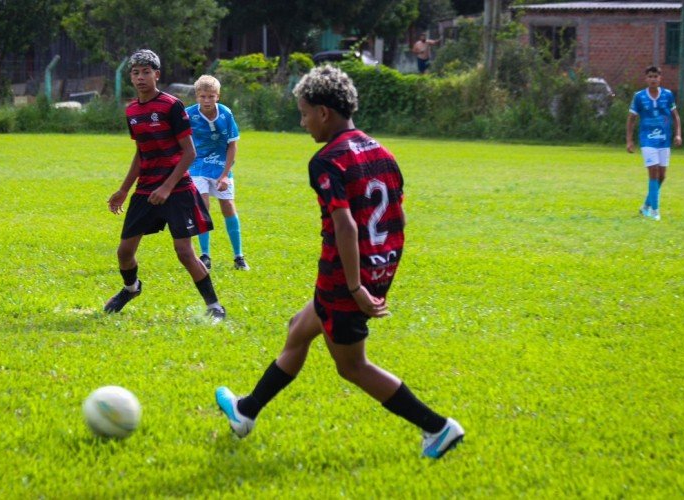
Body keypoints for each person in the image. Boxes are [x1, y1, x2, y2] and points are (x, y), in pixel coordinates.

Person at [214, 65, 464, 459]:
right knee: (298, 328)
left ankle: (438, 427)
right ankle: (246, 411)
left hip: (346, 278)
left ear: (324, 113)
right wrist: (378, 274)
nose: (303, 122)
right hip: (375, 268)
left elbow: (344, 225)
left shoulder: (328, 159)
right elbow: (398, 217)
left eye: (304, 113)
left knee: (352, 367)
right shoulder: (382, 151)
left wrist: (355, 287)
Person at [104, 49, 226, 321]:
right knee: (124, 252)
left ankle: (215, 305)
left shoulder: (172, 105)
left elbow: (190, 152)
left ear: (156, 75)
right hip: (146, 189)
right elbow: (141, 153)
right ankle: (131, 289)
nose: (140, 77)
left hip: (177, 188)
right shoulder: (132, 111)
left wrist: (167, 187)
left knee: (184, 252)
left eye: (146, 72)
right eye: (135, 73)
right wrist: (124, 190)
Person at [186, 75, 249, 271]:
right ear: (197, 96)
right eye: (203, 96)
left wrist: (224, 175)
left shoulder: (226, 114)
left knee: (228, 206)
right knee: (202, 204)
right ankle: (205, 256)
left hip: (221, 165)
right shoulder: (188, 115)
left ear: (218, 96)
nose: (207, 100)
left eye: (211, 96)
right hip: (197, 165)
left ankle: (239, 256)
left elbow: (233, 145)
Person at [626, 65, 682, 221]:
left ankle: (645, 206)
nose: (653, 79)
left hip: (664, 139)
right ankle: (655, 211)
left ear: (660, 78)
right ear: (646, 79)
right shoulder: (639, 96)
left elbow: (675, 116)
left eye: (655, 76)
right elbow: (631, 119)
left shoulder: (668, 95)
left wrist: (678, 134)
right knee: (654, 172)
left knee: (662, 176)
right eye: (650, 76)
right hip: (647, 139)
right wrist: (630, 140)